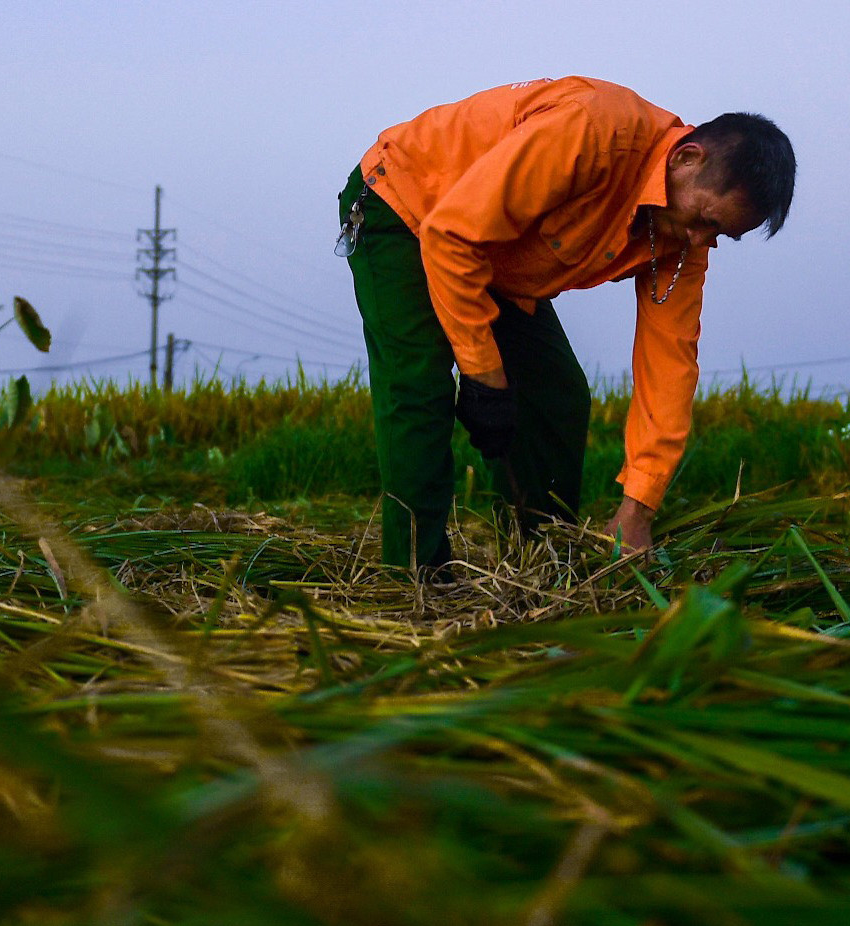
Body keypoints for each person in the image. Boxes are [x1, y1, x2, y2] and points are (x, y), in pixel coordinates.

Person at [337, 76, 795, 574]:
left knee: (556, 396)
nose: (700, 238)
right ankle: (413, 577)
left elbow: (670, 367)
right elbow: (450, 234)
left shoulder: (684, 241)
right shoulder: (592, 133)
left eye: (719, 233)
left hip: (494, 252)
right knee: (419, 390)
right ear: (687, 159)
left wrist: (637, 510)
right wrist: (484, 376)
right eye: (703, 218)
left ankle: (537, 563)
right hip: (408, 206)